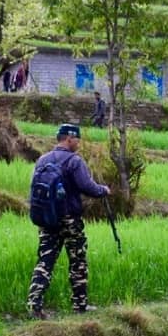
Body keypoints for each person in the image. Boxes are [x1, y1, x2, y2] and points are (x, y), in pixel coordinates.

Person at [27, 124, 110, 319]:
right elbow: (87, 186)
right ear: (69, 139)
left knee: (45, 260)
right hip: (70, 219)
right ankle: (80, 305)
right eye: (77, 140)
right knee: (78, 261)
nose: (79, 144)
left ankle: (34, 304)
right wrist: (103, 190)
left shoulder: (42, 160)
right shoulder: (74, 161)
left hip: (47, 219)